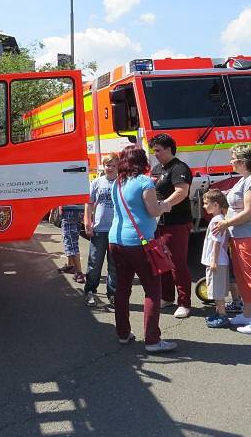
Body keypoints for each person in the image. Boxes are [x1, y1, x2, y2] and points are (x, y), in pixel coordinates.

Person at [108, 145, 176, 351]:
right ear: (142, 160)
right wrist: (165, 205)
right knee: (152, 290)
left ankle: (123, 333)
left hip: (116, 240)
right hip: (140, 242)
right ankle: (153, 340)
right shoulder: (144, 181)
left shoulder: (118, 182)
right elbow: (153, 209)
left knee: (122, 288)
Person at [212, 143, 251, 335]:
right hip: (240, 236)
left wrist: (225, 224)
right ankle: (247, 315)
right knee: (243, 278)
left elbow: (250, 212)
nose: (230, 162)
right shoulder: (244, 180)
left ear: (241, 161)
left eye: (232, 159)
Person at [148, 133, 193, 319]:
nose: (155, 154)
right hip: (159, 223)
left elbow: (181, 192)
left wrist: (164, 205)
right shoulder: (158, 168)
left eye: (158, 150)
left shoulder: (179, 168)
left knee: (177, 264)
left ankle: (184, 303)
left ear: (168, 149)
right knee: (162, 262)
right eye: (154, 151)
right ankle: (167, 297)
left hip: (177, 223)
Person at [83, 154, 119, 307]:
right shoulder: (97, 182)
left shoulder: (121, 183)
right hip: (99, 229)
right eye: (107, 165)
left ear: (118, 166)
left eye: (113, 165)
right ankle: (90, 291)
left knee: (114, 265)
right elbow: (89, 203)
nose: (110, 168)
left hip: (116, 230)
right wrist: (87, 221)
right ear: (103, 167)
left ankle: (113, 293)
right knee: (94, 263)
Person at [201, 189, 231, 328]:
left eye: (207, 203)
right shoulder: (219, 219)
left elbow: (217, 242)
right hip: (219, 260)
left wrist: (213, 260)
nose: (204, 206)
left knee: (217, 291)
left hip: (217, 261)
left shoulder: (217, 221)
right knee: (217, 288)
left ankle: (223, 316)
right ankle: (218, 313)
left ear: (217, 205)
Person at [60, 203, 86, 283]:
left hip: (70, 210)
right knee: (72, 239)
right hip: (80, 209)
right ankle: (70, 265)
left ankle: (79, 272)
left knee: (70, 242)